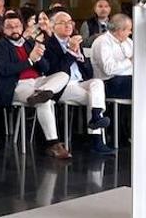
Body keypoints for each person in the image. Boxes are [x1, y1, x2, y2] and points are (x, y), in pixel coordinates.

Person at [0, 12, 73, 159]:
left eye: (17, 26)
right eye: (10, 27)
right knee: (44, 101)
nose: (14, 30)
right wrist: (29, 61)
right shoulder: (0, 46)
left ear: (22, 27)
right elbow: (5, 70)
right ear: (3, 29)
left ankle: (44, 92)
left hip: (38, 82)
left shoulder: (29, 43)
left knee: (63, 75)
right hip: (17, 85)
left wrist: (39, 58)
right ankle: (54, 144)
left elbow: (46, 69)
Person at [42, 10, 115, 155]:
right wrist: (70, 51)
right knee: (93, 98)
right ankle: (96, 140)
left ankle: (96, 116)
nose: (68, 26)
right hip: (61, 86)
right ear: (52, 26)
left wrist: (80, 55)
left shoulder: (74, 41)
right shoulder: (49, 45)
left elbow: (87, 72)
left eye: (70, 22)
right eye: (63, 23)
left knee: (97, 83)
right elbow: (55, 71)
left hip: (79, 82)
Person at [91, 14, 133, 100]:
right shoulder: (102, 42)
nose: (130, 33)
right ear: (119, 30)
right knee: (138, 84)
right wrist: (130, 61)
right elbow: (108, 70)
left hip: (127, 80)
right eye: (129, 30)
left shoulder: (129, 42)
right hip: (108, 82)